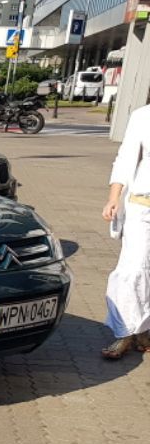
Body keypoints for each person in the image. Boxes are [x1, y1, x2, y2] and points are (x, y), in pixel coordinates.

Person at [100, 103, 150, 358]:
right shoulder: (143, 116)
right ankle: (124, 332)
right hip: (142, 206)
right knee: (133, 270)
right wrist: (113, 197)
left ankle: (144, 329)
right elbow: (126, 157)